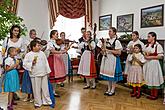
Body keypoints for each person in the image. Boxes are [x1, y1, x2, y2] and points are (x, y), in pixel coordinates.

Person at [23, 40, 52, 108]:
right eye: (38, 45)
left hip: (43, 73)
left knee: (45, 88)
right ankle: (38, 103)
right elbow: (24, 64)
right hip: (35, 74)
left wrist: (48, 72)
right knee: (36, 89)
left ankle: (46, 101)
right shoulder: (28, 55)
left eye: (40, 45)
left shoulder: (42, 53)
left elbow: (46, 63)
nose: (40, 47)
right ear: (33, 47)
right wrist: (31, 64)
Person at [97, 27, 123, 96]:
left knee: (113, 76)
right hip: (107, 59)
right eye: (108, 31)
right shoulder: (107, 41)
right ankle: (108, 89)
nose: (109, 33)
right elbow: (103, 50)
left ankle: (113, 90)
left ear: (114, 33)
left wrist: (109, 50)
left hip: (114, 59)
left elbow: (119, 52)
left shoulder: (117, 41)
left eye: (110, 31)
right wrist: (103, 46)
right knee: (108, 75)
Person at [143, 32, 164, 100]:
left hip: (154, 64)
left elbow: (161, 57)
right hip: (148, 64)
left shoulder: (158, 46)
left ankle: (155, 95)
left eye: (149, 36)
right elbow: (143, 53)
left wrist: (150, 57)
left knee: (155, 79)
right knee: (150, 78)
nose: (147, 38)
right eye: (148, 36)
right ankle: (151, 94)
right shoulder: (146, 45)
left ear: (154, 37)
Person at [46, 30, 66, 97]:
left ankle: (53, 91)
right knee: (52, 76)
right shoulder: (50, 42)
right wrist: (61, 52)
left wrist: (64, 50)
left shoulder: (55, 42)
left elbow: (58, 50)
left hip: (57, 59)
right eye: (56, 34)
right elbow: (52, 51)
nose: (57, 35)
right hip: (52, 60)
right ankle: (50, 91)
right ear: (52, 35)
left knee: (55, 78)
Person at [21, 29, 37, 102]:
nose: (34, 35)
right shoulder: (27, 42)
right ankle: (28, 96)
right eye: (33, 34)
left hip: (34, 67)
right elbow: (25, 52)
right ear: (30, 35)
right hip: (28, 66)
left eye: (35, 34)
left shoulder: (37, 43)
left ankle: (33, 97)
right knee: (27, 81)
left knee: (33, 82)